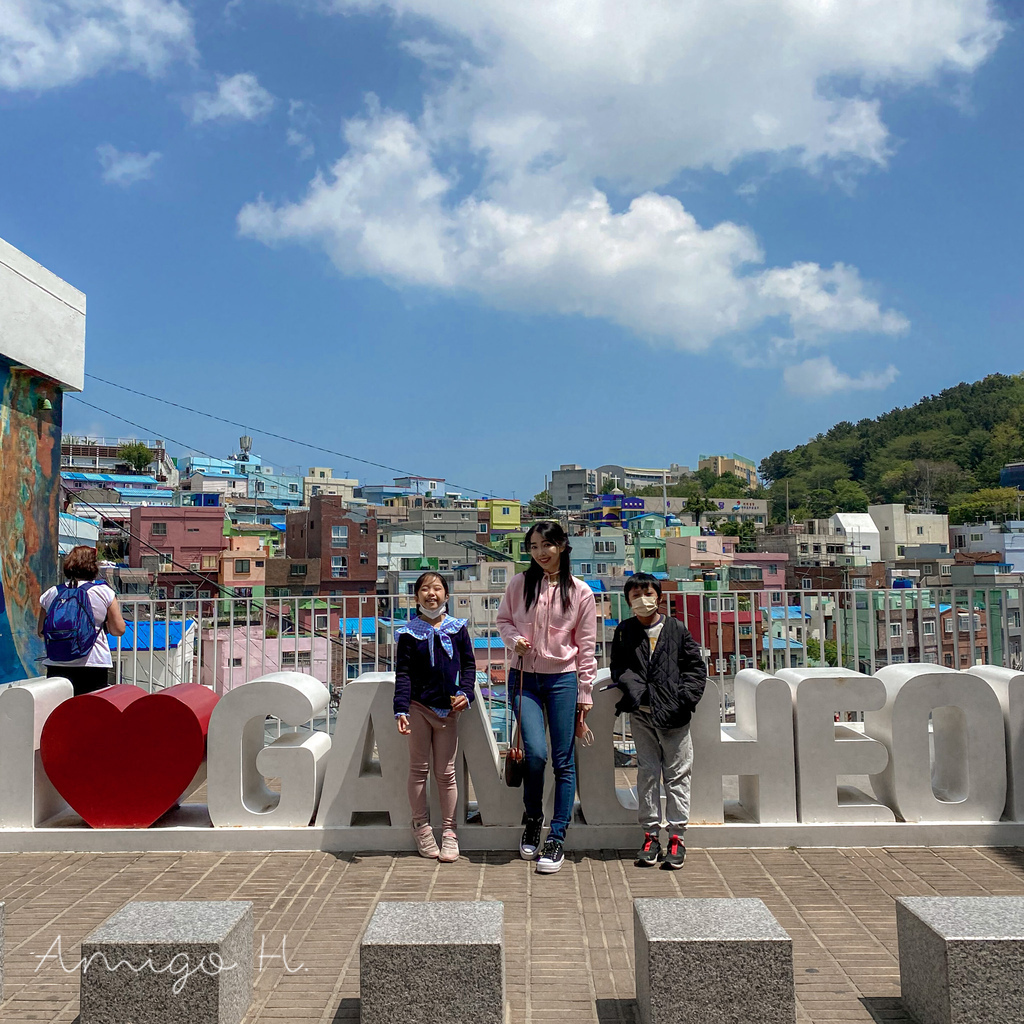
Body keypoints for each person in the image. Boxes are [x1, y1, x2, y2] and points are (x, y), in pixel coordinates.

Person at [497, 520, 596, 874]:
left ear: (562, 546)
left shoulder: (581, 591)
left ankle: (557, 837)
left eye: (547, 545)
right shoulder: (519, 583)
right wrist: (513, 641)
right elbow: (503, 620)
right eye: (534, 546)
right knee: (535, 754)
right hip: (523, 679)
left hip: (563, 681)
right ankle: (533, 818)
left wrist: (585, 691)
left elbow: (586, 647)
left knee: (564, 760)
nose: (540, 552)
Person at [610, 572, 707, 870]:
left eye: (647, 593)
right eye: (635, 595)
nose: (642, 599)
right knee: (648, 774)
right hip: (641, 715)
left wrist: (684, 699)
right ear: (628, 600)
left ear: (659, 597)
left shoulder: (676, 628)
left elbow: (695, 667)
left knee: (677, 775)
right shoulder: (625, 631)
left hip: (674, 717)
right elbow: (620, 668)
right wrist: (639, 693)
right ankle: (650, 835)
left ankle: (677, 837)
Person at [394, 571, 476, 863]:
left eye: (437, 588)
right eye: (425, 589)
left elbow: (469, 665)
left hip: (448, 710)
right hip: (418, 707)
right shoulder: (407, 633)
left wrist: (467, 693)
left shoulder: (458, 628)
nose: (432, 594)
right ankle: (421, 826)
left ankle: (450, 831)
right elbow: (402, 674)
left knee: (446, 772)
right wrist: (401, 708)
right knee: (418, 769)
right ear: (416, 598)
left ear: (447, 596)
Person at [37, 545, 126, 696]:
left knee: (61, 714)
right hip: (93, 663)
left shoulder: (51, 593)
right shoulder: (104, 592)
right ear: (93, 567)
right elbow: (118, 630)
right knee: (90, 715)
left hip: (57, 664)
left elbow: (41, 631)